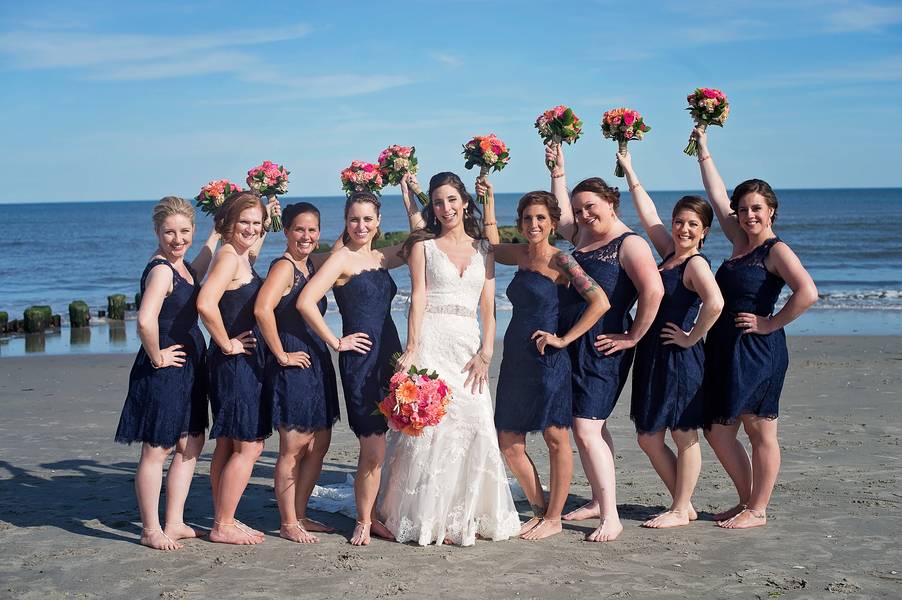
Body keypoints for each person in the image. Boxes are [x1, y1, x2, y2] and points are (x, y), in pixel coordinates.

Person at [376, 171, 522, 547]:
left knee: (474, 420)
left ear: (464, 202)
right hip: (432, 341)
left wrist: (487, 351)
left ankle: (469, 511)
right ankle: (424, 513)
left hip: (468, 343)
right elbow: (418, 298)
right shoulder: (424, 247)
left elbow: (488, 307)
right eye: (438, 202)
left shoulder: (484, 249)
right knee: (431, 425)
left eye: (452, 200)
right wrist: (412, 348)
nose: (445, 208)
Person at [692, 127, 817, 529]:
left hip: (758, 350)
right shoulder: (738, 240)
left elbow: (807, 292)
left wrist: (770, 323)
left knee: (759, 430)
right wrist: (703, 150)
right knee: (718, 431)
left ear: (772, 211)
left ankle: (758, 510)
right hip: (725, 346)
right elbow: (715, 195)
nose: (749, 216)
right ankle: (747, 500)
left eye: (756, 209)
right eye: (743, 209)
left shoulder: (775, 249)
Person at [479, 181, 610, 540]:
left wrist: (565, 338)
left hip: (548, 359)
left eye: (539, 218)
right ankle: (540, 507)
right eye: (526, 218)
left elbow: (600, 301)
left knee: (555, 437)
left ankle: (554, 517)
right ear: (520, 224)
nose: (533, 224)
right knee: (508, 438)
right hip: (516, 358)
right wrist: (488, 196)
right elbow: (488, 244)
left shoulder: (562, 259)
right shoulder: (520, 254)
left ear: (553, 222)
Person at [548, 143, 664, 542]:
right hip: (572, 344)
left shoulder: (628, 243)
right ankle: (600, 499)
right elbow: (560, 215)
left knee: (585, 427)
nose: (583, 215)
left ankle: (611, 516)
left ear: (611, 202)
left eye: (591, 206)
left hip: (603, 347)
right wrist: (558, 172)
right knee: (590, 427)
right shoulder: (581, 236)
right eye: (580, 210)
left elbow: (654, 291)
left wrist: (634, 336)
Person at [297, 187, 421, 546]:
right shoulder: (340, 259)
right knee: (373, 446)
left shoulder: (383, 257)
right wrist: (336, 341)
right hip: (361, 360)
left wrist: (407, 191)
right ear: (345, 223)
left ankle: (378, 512)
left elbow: (419, 239)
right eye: (354, 219)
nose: (361, 225)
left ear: (379, 222)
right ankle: (364, 521)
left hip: (392, 357)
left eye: (368, 219)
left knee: (394, 438)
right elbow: (306, 301)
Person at [617, 151, 724, 528]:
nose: (683, 229)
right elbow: (649, 217)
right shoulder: (668, 255)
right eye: (680, 222)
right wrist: (630, 169)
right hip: (652, 354)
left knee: (682, 433)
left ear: (704, 230)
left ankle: (680, 508)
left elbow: (715, 302)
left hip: (680, 357)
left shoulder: (695, 263)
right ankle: (684, 501)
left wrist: (692, 337)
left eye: (693, 224)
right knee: (648, 437)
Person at [115, 196, 218, 550]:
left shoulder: (183, 264)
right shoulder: (161, 269)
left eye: (185, 231)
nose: (178, 239)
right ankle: (150, 528)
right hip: (165, 369)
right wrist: (157, 356)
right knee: (157, 448)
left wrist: (216, 234)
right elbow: (145, 320)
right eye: (169, 232)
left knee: (190, 443)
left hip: (188, 366)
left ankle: (174, 522)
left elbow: (199, 267)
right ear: (157, 232)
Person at [253, 202, 339, 544]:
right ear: (286, 231)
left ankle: (301, 514)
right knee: (294, 445)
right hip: (293, 363)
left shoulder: (313, 263)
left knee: (319, 442)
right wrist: (280, 354)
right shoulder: (284, 267)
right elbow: (262, 309)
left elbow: (346, 248)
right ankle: (288, 522)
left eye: (312, 230)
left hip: (317, 363)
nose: (306, 236)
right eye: (299, 229)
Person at [197, 191, 279, 545]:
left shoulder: (238, 253)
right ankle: (224, 523)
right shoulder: (229, 258)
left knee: (229, 444)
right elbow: (205, 303)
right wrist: (226, 342)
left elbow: (254, 245)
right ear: (228, 223)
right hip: (235, 363)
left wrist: (267, 208)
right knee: (249, 446)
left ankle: (222, 517)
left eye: (256, 223)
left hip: (236, 363)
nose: (250, 228)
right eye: (243, 222)